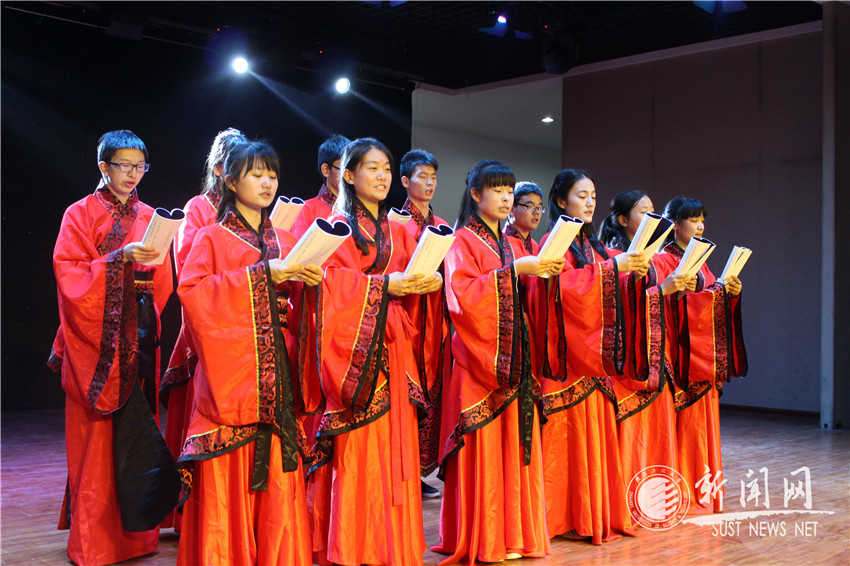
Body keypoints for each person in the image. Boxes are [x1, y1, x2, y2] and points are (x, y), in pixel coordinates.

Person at [176, 140, 323, 565]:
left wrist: (310, 285)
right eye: (256, 174)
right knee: (228, 470)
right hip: (231, 368)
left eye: (272, 175)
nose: (266, 183)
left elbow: (305, 306)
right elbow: (193, 294)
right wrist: (260, 276)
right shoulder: (210, 237)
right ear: (230, 180)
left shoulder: (288, 239)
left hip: (280, 364)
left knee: (279, 466)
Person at [48, 130, 178, 565]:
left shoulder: (150, 216)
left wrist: (144, 309)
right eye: (124, 165)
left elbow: (162, 281)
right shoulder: (79, 213)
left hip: (139, 334)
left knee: (137, 434)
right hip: (95, 339)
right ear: (103, 166)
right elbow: (70, 274)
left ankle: (137, 538)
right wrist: (120, 259)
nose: (133, 174)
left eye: (140, 166)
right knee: (96, 440)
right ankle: (94, 543)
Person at [308, 138, 440, 566]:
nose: (382, 176)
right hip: (357, 350)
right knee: (361, 446)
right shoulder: (336, 226)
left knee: (394, 442)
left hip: (395, 344)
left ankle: (391, 545)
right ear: (348, 175)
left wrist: (428, 282)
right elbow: (329, 284)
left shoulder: (396, 230)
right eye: (372, 168)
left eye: (386, 168)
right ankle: (354, 546)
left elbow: (412, 277)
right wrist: (385, 286)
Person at [432, 160, 561, 564]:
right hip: (478, 360)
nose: (506, 198)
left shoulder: (506, 244)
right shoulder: (461, 240)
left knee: (512, 444)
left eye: (509, 191)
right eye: (498, 190)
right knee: (486, 448)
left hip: (514, 355)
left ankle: (513, 534)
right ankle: (486, 537)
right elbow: (463, 298)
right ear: (475, 194)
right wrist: (514, 272)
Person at [538, 169, 651, 545]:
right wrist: (613, 269)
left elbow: (606, 278)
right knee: (566, 442)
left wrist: (630, 271)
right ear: (561, 201)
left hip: (592, 361)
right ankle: (562, 517)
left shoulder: (592, 245)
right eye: (581, 195)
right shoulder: (555, 241)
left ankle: (592, 513)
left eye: (593, 196)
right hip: (567, 360)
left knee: (593, 438)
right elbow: (564, 289)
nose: (589, 202)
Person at [160, 127, 246, 532]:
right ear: (220, 170)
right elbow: (190, 269)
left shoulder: (256, 215)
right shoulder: (198, 208)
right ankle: (195, 516)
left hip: (248, 329)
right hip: (208, 329)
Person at [654, 196, 747, 515]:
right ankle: (682, 494)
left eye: (702, 220)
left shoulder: (702, 261)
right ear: (675, 224)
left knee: (702, 426)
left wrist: (728, 292)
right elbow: (664, 305)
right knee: (686, 429)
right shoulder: (662, 260)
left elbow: (705, 300)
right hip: (681, 358)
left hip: (702, 357)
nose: (700, 226)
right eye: (693, 220)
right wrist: (714, 293)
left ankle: (704, 491)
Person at [598, 190, 694, 497]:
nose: (651, 217)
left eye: (653, 210)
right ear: (623, 220)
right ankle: (627, 496)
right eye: (643, 211)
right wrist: (662, 291)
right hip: (627, 360)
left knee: (658, 428)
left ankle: (657, 493)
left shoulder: (656, 258)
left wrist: (679, 290)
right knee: (632, 431)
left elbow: (664, 300)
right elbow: (612, 304)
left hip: (656, 353)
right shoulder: (612, 255)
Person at [399, 148, 450, 498]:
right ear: (406, 181)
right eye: (422, 177)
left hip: (435, 318)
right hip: (409, 315)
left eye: (433, 177)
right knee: (409, 394)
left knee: (432, 392)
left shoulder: (442, 225)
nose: (430, 183)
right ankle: (404, 472)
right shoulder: (396, 223)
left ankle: (420, 470)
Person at [290, 133, 351, 238]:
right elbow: (301, 247)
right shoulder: (305, 210)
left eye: (353, 168)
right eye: (343, 168)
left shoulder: (360, 210)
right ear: (326, 170)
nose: (349, 175)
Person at [504, 181, 545, 255]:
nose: (536, 212)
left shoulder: (535, 246)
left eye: (539, 207)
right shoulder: (501, 243)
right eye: (530, 206)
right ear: (511, 209)